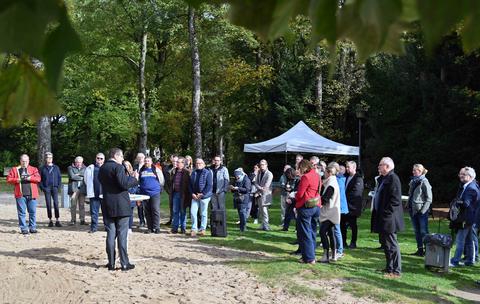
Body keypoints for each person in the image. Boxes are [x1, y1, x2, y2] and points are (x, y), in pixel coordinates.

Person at [98, 148, 139, 271]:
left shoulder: (102, 168)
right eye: (121, 157)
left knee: (111, 233)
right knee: (122, 234)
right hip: (121, 204)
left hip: (107, 203)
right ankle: (124, 263)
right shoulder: (118, 167)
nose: (122, 159)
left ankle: (111, 263)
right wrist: (134, 179)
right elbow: (123, 184)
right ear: (116, 156)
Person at [372, 157, 404, 278]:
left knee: (392, 244)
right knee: (385, 244)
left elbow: (395, 200)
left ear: (387, 166)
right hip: (383, 217)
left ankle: (396, 270)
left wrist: (386, 213)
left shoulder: (393, 178)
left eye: (380, 165)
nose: (378, 167)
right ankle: (389, 268)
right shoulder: (384, 178)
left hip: (390, 218)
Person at [450, 167, 479, 267]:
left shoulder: (471, 188)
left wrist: (456, 202)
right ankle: (470, 260)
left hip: (466, 219)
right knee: (469, 240)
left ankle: (455, 261)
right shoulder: (467, 185)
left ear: (470, 176)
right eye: (460, 174)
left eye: (463, 174)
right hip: (470, 218)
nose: (460, 176)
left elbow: (466, 204)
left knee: (460, 240)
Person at [7, 154, 41, 234]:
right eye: (23, 161)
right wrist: (17, 180)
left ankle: (32, 228)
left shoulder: (34, 169)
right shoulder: (15, 169)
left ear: (28, 161)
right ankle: (23, 228)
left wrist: (30, 178)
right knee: (21, 213)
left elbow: (38, 179)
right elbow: (9, 179)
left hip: (32, 194)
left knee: (32, 212)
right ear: (20, 161)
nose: (24, 163)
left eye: (26, 161)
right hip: (20, 195)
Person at [295, 159, 321, 264]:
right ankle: (309, 255)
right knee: (312, 232)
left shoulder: (306, 177)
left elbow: (300, 194)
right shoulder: (317, 175)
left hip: (306, 207)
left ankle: (309, 258)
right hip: (316, 206)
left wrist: (294, 196)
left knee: (305, 233)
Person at [407, 164, 432, 257]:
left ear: (420, 171)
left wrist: (423, 211)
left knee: (423, 231)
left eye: (415, 170)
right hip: (413, 210)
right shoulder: (413, 181)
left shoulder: (425, 182)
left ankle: (428, 250)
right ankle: (420, 249)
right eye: (413, 170)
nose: (413, 172)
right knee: (417, 231)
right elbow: (411, 195)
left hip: (421, 211)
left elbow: (429, 198)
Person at [319, 164, 341, 263]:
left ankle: (326, 255)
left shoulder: (331, 183)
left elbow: (326, 198)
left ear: (329, 173)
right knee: (331, 233)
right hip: (332, 211)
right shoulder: (332, 181)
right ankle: (334, 255)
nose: (324, 174)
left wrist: (317, 202)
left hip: (330, 212)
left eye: (325, 172)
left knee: (322, 232)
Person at [139, 156, 165, 234]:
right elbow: (139, 180)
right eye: (145, 161)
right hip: (145, 193)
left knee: (155, 209)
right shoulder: (142, 170)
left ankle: (156, 227)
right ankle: (150, 228)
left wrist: (159, 188)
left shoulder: (156, 169)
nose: (147, 162)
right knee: (147, 211)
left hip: (155, 193)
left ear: (151, 162)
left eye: (148, 161)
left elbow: (161, 180)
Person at [342, 161, 364, 249]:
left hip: (352, 206)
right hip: (344, 206)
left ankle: (353, 242)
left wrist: (346, 201)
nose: (347, 169)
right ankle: (343, 241)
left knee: (352, 225)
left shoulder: (358, 178)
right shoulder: (346, 177)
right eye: (346, 167)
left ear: (354, 168)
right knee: (342, 224)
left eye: (348, 167)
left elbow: (356, 193)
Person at [190, 158, 213, 236]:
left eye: (200, 163)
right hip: (195, 196)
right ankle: (194, 229)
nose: (198, 164)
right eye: (197, 163)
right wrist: (192, 193)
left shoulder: (207, 172)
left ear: (204, 164)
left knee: (203, 213)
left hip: (204, 196)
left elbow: (209, 185)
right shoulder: (193, 173)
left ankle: (203, 229)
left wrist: (202, 194)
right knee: (193, 212)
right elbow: (190, 185)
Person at [39, 152, 62, 227]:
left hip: (54, 187)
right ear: (45, 159)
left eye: (51, 157)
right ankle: (50, 220)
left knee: (56, 203)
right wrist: (43, 188)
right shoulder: (42, 168)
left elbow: (59, 177)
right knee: (48, 204)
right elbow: (40, 179)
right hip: (47, 188)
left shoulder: (56, 167)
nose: (49, 159)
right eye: (48, 157)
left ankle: (57, 219)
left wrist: (58, 186)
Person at [330, 161, 348, 259]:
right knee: (334, 229)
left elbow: (339, 196)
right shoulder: (337, 179)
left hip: (338, 207)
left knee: (336, 229)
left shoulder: (339, 180)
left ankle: (339, 250)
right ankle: (336, 249)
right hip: (336, 207)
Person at [169, 157, 191, 234]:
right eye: (177, 162)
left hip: (183, 195)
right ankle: (175, 228)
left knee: (183, 211)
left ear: (183, 163)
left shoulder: (187, 172)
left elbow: (189, 185)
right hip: (175, 193)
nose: (177, 163)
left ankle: (183, 228)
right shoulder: (174, 171)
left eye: (179, 162)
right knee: (175, 211)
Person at [85, 153, 105, 233]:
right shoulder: (90, 168)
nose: (99, 160)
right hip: (94, 193)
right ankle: (94, 228)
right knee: (94, 212)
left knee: (106, 212)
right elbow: (86, 180)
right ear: (95, 158)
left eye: (101, 158)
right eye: (98, 158)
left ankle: (107, 227)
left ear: (104, 159)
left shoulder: (106, 167)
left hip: (105, 194)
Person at [255, 159, 273, 231]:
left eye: (263, 164)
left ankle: (266, 225)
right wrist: (259, 188)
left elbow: (266, 186)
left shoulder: (269, 174)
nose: (261, 166)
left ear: (266, 165)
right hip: (259, 194)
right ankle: (263, 225)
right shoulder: (259, 173)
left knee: (265, 211)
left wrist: (260, 188)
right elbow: (256, 183)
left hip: (265, 195)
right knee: (261, 211)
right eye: (260, 165)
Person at [68, 156, 87, 226]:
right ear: (75, 162)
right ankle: (73, 220)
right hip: (74, 189)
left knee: (82, 205)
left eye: (80, 162)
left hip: (82, 189)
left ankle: (82, 220)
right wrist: (81, 176)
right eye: (77, 162)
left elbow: (86, 177)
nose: (79, 163)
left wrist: (78, 175)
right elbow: (72, 176)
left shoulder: (85, 168)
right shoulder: (70, 168)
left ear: (82, 162)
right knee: (73, 205)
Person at [231, 168, 252, 232]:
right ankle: (241, 227)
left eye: (237, 175)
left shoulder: (246, 179)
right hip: (238, 198)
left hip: (244, 199)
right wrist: (232, 188)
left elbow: (247, 189)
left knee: (242, 213)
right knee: (240, 213)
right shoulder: (236, 180)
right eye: (235, 175)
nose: (236, 176)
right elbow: (233, 189)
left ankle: (243, 228)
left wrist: (238, 188)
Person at [123, 161, 139, 233]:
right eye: (124, 165)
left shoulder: (133, 176)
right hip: (123, 197)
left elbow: (135, 186)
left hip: (131, 197)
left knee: (130, 213)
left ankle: (129, 227)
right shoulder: (120, 176)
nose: (126, 167)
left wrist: (130, 192)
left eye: (127, 165)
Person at [163, 154, 178, 226]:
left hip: (179, 192)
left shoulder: (182, 170)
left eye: (176, 161)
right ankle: (171, 219)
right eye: (173, 161)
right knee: (171, 206)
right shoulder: (168, 169)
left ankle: (177, 222)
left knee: (178, 207)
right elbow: (165, 181)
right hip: (171, 191)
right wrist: (168, 190)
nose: (175, 163)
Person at [282, 167, 299, 231]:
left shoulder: (297, 180)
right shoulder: (289, 180)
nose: (288, 176)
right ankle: (285, 227)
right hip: (289, 197)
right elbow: (286, 187)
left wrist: (291, 190)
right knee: (287, 213)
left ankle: (297, 228)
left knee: (296, 214)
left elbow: (296, 190)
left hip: (295, 198)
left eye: (289, 174)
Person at [133, 152, 146, 228]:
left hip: (144, 187)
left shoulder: (146, 166)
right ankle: (141, 221)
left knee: (146, 205)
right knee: (139, 205)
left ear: (144, 158)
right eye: (139, 157)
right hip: (137, 188)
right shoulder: (135, 166)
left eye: (141, 157)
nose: (140, 159)